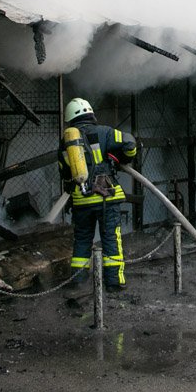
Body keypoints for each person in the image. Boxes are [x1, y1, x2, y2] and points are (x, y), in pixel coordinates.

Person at [58, 97, 138, 292]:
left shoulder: (66, 142)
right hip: (106, 197)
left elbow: (64, 171)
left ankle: (78, 281)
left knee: (82, 239)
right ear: (90, 113)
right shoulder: (105, 132)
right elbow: (130, 144)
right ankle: (114, 282)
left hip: (81, 199)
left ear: (70, 118)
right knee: (110, 238)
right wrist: (119, 159)